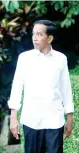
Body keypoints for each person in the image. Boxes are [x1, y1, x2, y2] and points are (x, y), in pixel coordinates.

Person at [8, 20, 74, 153]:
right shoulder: (25, 58)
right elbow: (16, 88)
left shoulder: (61, 59)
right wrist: (13, 118)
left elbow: (66, 89)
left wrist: (70, 118)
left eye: (39, 34)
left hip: (54, 120)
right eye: (33, 34)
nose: (34, 38)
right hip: (31, 120)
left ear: (50, 38)